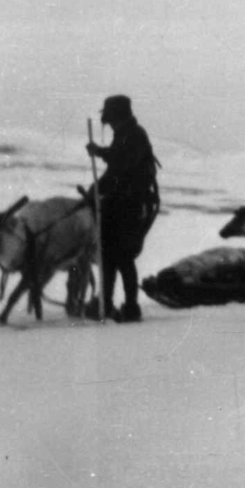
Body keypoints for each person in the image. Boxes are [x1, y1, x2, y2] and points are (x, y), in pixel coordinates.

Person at [85, 95, 160, 322]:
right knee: (108, 256)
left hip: (130, 205)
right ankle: (106, 303)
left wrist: (100, 152)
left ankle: (130, 307)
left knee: (122, 256)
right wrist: (95, 189)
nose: (107, 122)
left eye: (109, 117)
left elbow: (122, 164)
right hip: (119, 203)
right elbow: (116, 170)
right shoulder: (125, 133)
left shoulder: (135, 134)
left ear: (116, 116)